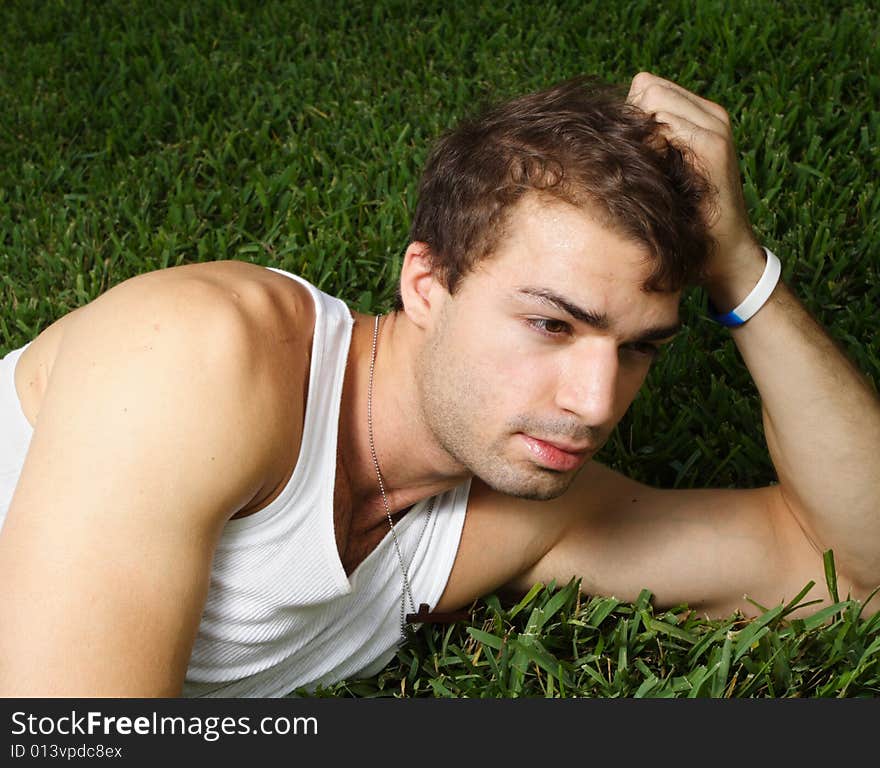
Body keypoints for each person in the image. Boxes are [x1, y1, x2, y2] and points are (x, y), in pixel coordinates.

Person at [0, 72, 877, 698]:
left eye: (640, 348)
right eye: (551, 324)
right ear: (427, 282)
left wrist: (740, 270)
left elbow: (855, 570)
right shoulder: (198, 356)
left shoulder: (516, 519)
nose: (597, 402)